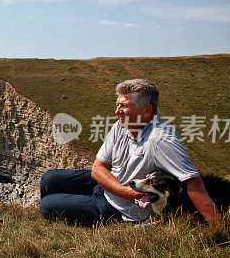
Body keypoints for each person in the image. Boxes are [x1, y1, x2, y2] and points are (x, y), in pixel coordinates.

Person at [38, 79, 217, 225]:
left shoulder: (162, 139)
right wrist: (123, 190)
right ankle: (71, 206)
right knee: (49, 179)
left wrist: (218, 226)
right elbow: (98, 168)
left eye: (124, 106)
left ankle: (72, 211)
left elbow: (193, 182)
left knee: (47, 205)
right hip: (114, 186)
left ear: (147, 110)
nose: (117, 112)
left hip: (120, 208)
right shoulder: (121, 126)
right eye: (117, 105)